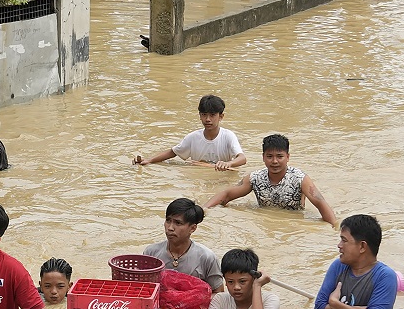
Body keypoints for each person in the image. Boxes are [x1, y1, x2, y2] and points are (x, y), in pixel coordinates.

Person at [204, 133, 337, 225]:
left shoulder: (300, 178)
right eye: (269, 156)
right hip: (264, 223)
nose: (274, 161)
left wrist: (335, 227)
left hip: (293, 225)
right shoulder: (255, 178)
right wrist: (205, 209)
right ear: (263, 157)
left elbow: (321, 204)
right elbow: (226, 195)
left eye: (280, 156)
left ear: (288, 157)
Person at [314, 214, 398, 309]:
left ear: (362, 247)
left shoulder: (385, 276)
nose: (339, 245)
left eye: (344, 240)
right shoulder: (338, 266)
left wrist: (335, 304)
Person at [186, 248, 279, 309]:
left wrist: (257, 286)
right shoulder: (220, 300)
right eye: (230, 282)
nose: (236, 287)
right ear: (225, 281)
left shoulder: (270, 300)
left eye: (242, 281)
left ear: (254, 279)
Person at [133, 95, 244, 170]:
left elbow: (242, 159)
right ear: (199, 116)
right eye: (204, 115)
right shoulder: (193, 137)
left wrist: (228, 164)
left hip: (222, 178)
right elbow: (173, 152)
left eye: (212, 115)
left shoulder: (228, 136)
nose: (208, 119)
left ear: (221, 116)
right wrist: (149, 160)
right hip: (197, 176)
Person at [145, 197, 222, 291]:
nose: (170, 228)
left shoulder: (207, 258)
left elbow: (219, 294)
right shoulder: (151, 253)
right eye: (168, 220)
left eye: (178, 223)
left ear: (192, 228)